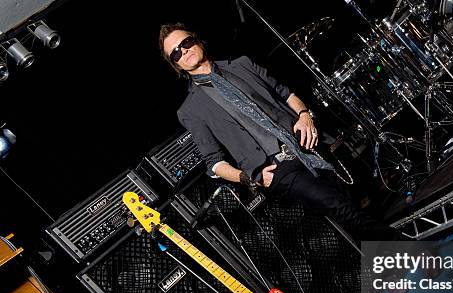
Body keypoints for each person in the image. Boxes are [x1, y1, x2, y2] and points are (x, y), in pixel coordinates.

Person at [159, 23, 404, 241]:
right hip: (277, 169)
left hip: (304, 142)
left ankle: (389, 274)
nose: (185, 51)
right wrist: (248, 178)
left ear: (197, 40)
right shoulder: (189, 110)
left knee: (353, 203)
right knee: (336, 204)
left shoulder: (242, 64)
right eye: (176, 53)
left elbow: (287, 94)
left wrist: (305, 116)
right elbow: (213, 163)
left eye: (186, 43)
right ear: (176, 65)